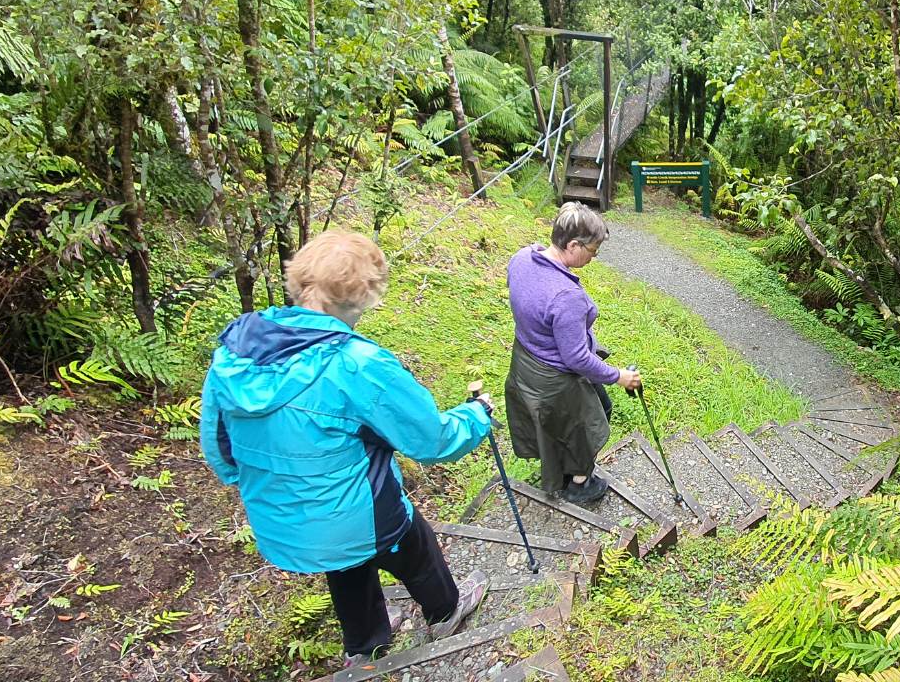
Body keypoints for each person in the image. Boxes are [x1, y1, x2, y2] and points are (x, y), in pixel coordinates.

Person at [200, 230, 492, 667]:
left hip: (280, 517)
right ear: (365, 295)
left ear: (299, 279)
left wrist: (263, 485)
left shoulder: (237, 351)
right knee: (413, 547)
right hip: (356, 516)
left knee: (346, 566)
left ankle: (366, 645)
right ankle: (446, 611)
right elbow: (431, 441)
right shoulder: (356, 364)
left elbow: (218, 445)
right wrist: (476, 416)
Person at [504, 202, 642, 504]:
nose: (593, 257)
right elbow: (576, 358)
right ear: (573, 244)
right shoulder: (566, 296)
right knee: (585, 424)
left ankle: (561, 468)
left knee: (559, 423)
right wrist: (619, 376)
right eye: (591, 251)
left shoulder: (522, 258)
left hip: (526, 362)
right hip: (555, 378)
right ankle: (578, 483)